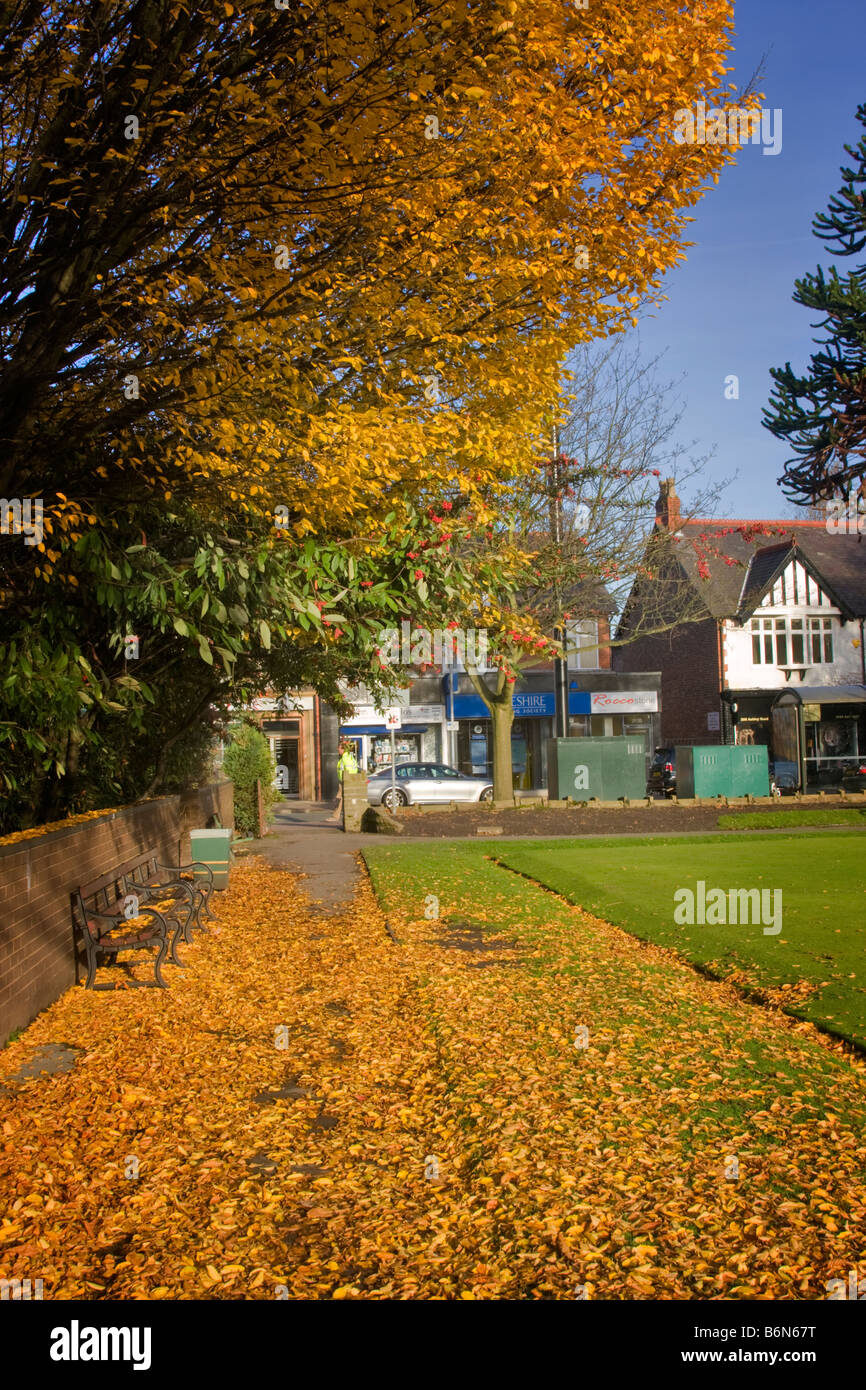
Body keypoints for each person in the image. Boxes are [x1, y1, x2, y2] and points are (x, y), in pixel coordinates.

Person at [327, 740, 359, 823]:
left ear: (343, 749)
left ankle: (335, 816)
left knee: (339, 799)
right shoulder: (349, 757)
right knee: (342, 799)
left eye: (339, 748)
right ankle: (351, 816)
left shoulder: (345, 758)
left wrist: (346, 780)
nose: (338, 749)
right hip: (346, 781)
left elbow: (348, 770)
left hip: (345, 781)